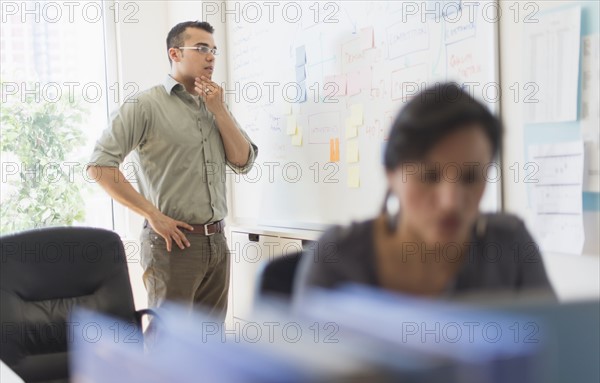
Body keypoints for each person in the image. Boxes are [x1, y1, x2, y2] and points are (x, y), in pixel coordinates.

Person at [293, 82, 555, 302]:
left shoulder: (510, 245)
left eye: (471, 177)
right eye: (429, 176)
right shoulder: (338, 258)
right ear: (391, 174)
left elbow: (559, 353)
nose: (451, 203)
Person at [87, 21, 258, 322]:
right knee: (168, 345)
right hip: (172, 244)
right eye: (202, 48)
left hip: (217, 242)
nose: (211, 57)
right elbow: (100, 166)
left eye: (214, 50)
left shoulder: (214, 105)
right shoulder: (144, 105)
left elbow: (243, 161)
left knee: (210, 345)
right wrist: (153, 215)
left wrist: (218, 110)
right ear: (175, 53)